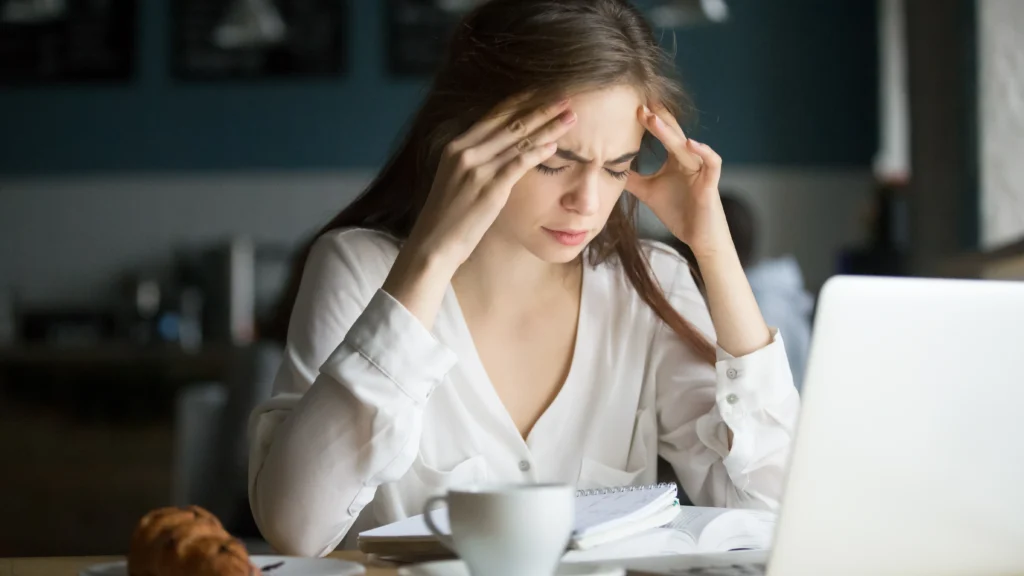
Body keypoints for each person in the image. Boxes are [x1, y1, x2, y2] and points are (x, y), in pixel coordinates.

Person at [248, 0, 799, 557]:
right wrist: (432, 256)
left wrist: (713, 247)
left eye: (615, 169)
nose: (587, 202)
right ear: (469, 140)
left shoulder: (650, 286)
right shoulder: (357, 269)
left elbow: (773, 513)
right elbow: (297, 528)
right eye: (553, 163)